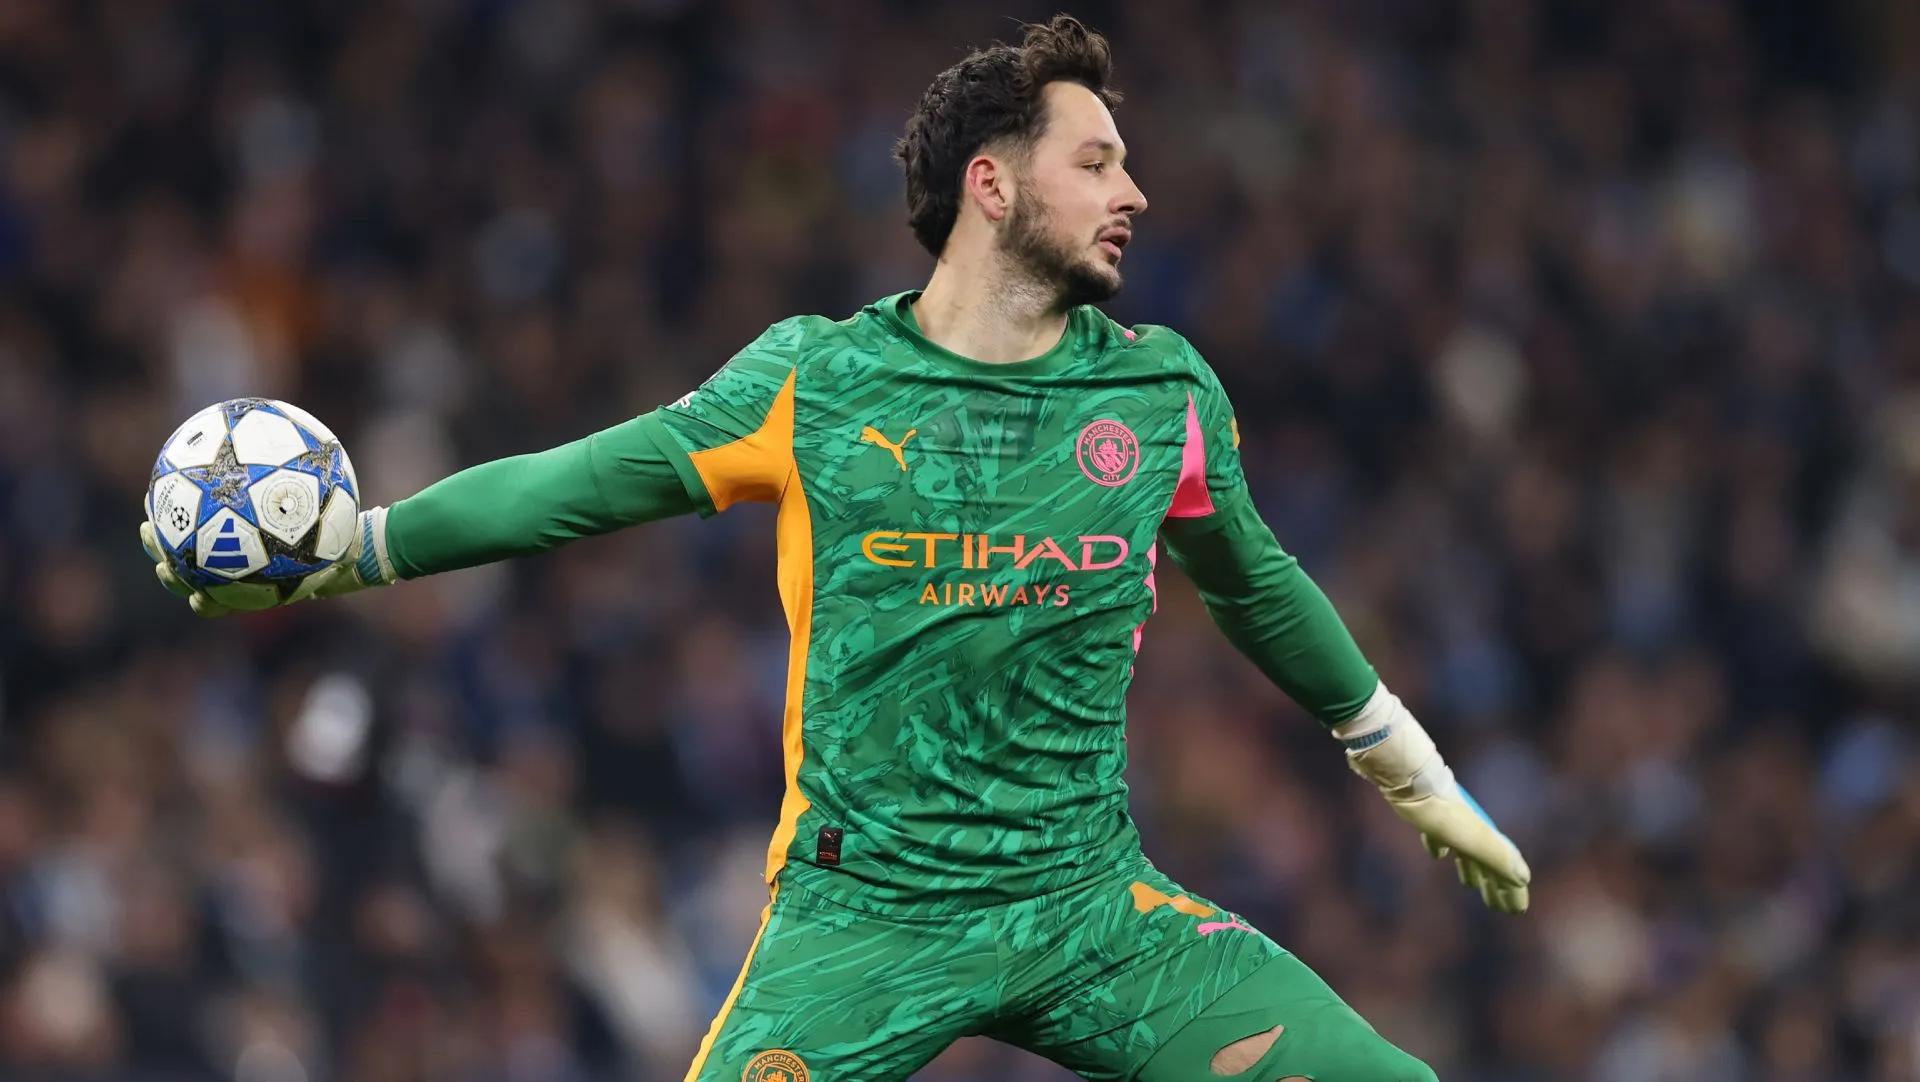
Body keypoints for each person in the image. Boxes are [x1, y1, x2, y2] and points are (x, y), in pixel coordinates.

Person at [141, 16, 1529, 1082]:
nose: (1137, 192)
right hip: (863, 921)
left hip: (1092, 904)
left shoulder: (1159, 394)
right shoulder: (818, 380)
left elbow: (1256, 579)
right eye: (1097, 159)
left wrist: (1409, 766)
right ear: (992, 185)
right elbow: (586, 482)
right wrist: (356, 548)